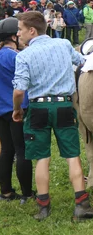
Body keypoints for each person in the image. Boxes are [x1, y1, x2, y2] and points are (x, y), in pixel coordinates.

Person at [11, 11, 93, 221]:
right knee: (72, 155)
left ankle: (43, 208)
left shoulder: (23, 55)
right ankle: (81, 205)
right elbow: (83, 62)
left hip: (38, 109)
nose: (18, 34)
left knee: (42, 158)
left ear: (32, 31)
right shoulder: (64, 44)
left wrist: (17, 109)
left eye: (20, 30)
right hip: (64, 106)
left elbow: (19, 91)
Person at [0, 18, 33, 204]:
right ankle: (27, 193)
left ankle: (5, 191)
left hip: (1, 110)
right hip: (17, 109)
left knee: (6, 150)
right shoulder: (16, 57)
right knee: (22, 150)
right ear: (13, 36)